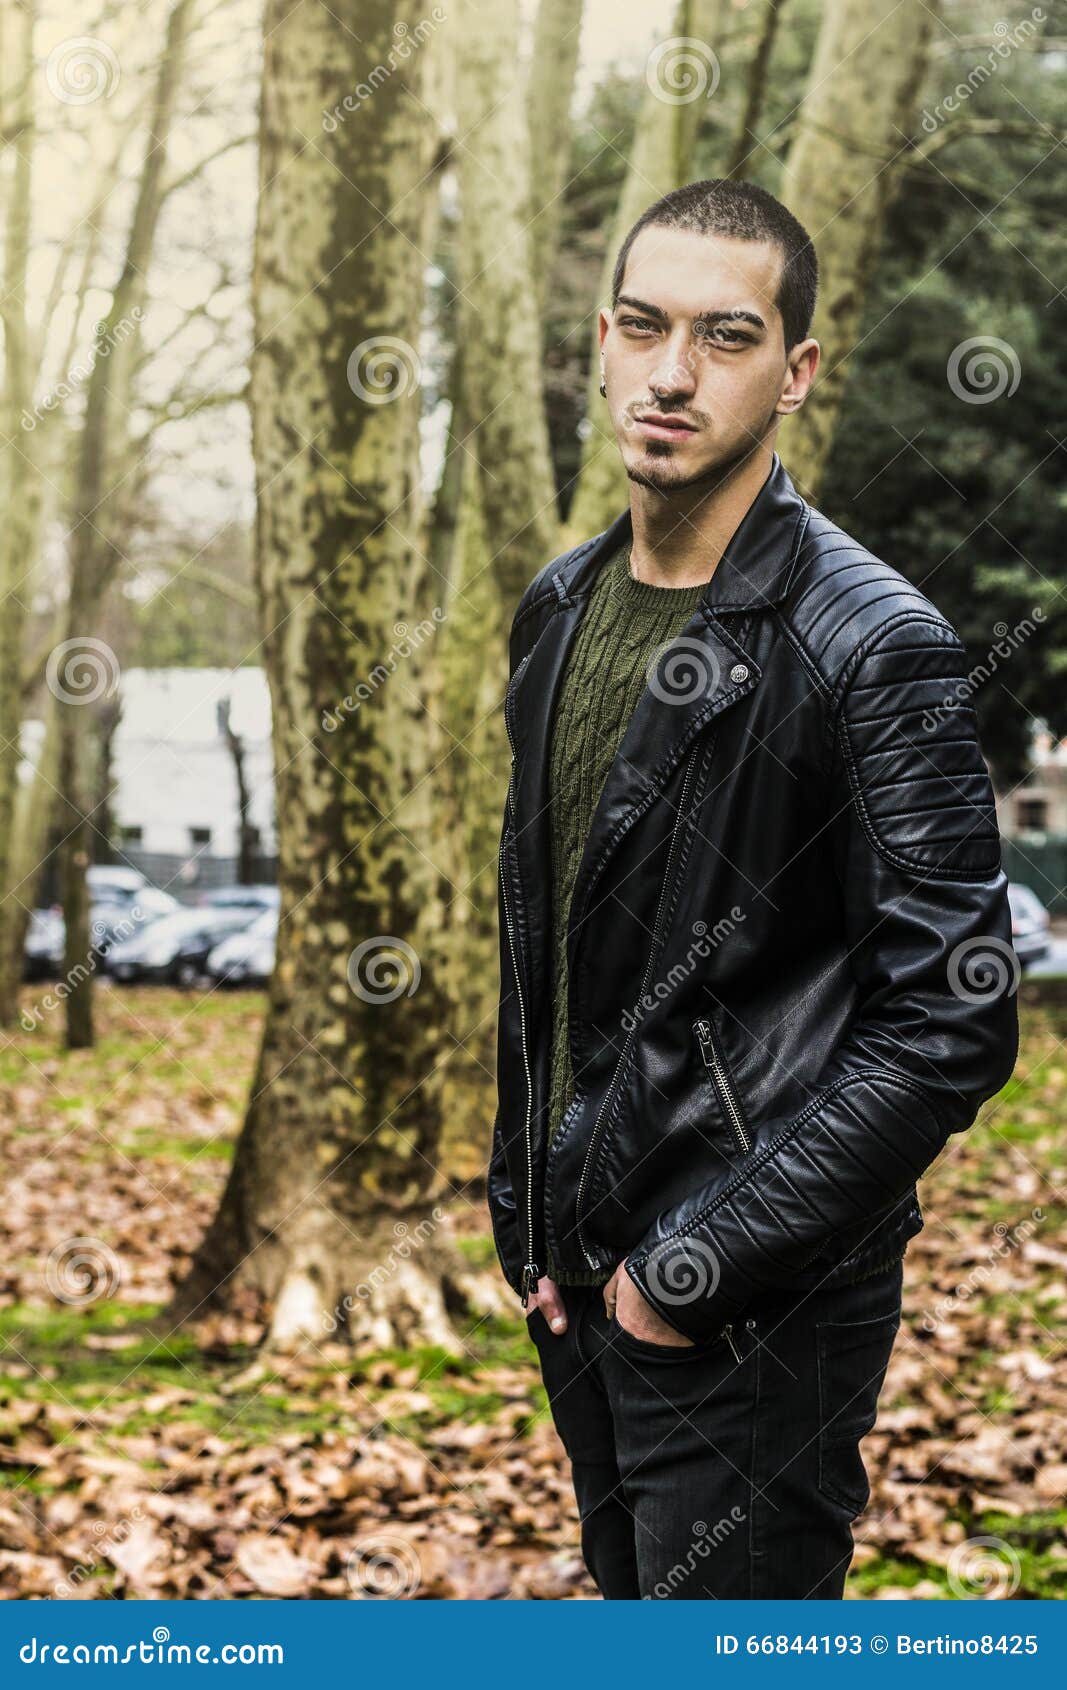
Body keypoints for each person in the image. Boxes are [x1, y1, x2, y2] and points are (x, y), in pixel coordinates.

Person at [488, 178, 1018, 1599]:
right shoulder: (558, 608)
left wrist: (691, 1270)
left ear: (795, 374)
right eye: (645, 328)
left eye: (725, 337)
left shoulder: (872, 643)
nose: (672, 374)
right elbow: (556, 954)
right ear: (601, 338)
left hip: (753, 1305)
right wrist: (539, 1229)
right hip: (586, 1289)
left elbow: (955, 1020)